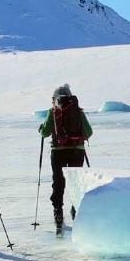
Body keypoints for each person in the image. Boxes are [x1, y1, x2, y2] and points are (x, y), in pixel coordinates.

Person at [38, 84, 93, 234]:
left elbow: (45, 132)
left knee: (58, 181)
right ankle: (76, 210)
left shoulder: (53, 111)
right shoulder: (78, 111)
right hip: (77, 151)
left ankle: (58, 212)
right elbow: (89, 132)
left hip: (58, 151)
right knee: (75, 181)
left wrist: (41, 129)